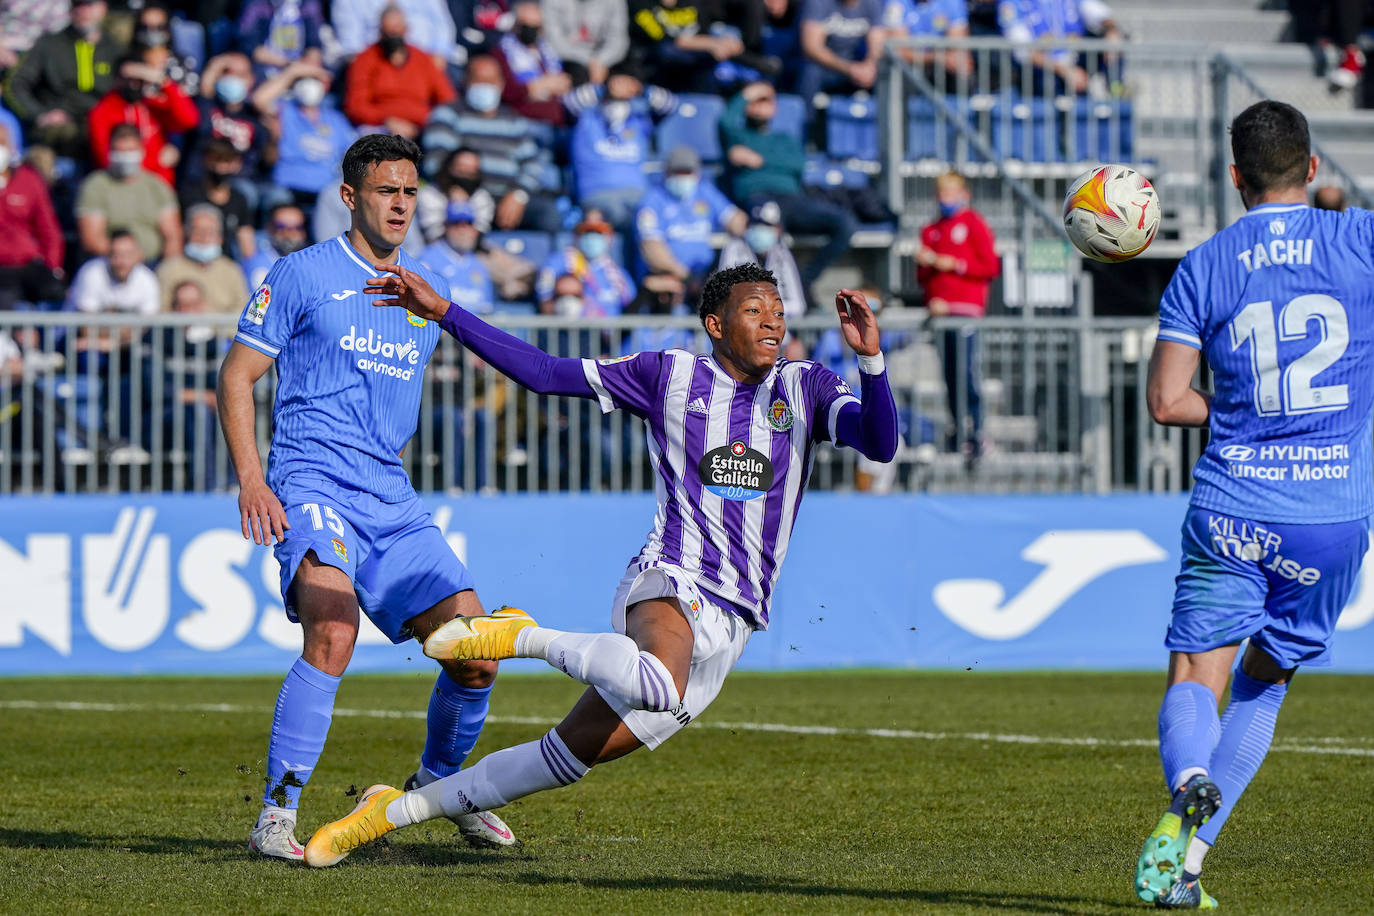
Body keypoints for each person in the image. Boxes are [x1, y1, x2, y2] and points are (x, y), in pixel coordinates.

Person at [298, 262, 898, 867]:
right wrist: (447, 314)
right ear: (715, 324)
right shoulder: (668, 375)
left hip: (737, 619)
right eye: (754, 309)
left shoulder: (805, 386)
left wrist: (871, 363)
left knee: (566, 757)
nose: (772, 320)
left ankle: (387, 813)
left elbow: (879, 442)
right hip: (673, 577)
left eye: (778, 310)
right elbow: (546, 374)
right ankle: (521, 635)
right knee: (659, 685)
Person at [217, 133, 518, 862]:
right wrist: (254, 480)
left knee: (476, 657)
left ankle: (438, 790)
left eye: (411, 192)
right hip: (312, 478)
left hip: (392, 496)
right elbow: (235, 378)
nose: (401, 205)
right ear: (351, 197)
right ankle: (276, 816)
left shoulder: (419, 291)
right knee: (333, 628)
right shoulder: (301, 274)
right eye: (387, 191)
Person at [1136, 100, 1374, 910]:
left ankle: (1189, 777)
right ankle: (1187, 866)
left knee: (1199, 675)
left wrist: (1240, 411)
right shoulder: (1360, 240)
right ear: (1313, 169)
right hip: (1332, 512)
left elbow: (1168, 403)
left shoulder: (1203, 264)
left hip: (1233, 500)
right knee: (1264, 684)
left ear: (1233, 178)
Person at [719, 79, 857, 303]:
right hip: (759, 198)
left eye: (765, 101)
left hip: (793, 199)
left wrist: (758, 159)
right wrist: (747, 93)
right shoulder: (737, 136)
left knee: (845, 223)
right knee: (764, 230)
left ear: (774, 107)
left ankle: (804, 279)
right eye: (754, 102)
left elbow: (795, 164)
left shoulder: (785, 139)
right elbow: (724, 121)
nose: (759, 106)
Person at [421, 56, 561, 234]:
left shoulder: (513, 120)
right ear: (466, 82)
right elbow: (436, 162)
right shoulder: (447, 115)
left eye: (490, 81)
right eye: (479, 80)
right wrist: (459, 189)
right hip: (463, 197)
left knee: (549, 214)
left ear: (501, 85)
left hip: (507, 197)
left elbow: (532, 164)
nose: (485, 86)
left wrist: (518, 194)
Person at [915, 170, 997, 462]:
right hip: (941, 316)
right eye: (941, 193)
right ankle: (957, 431)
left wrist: (954, 264)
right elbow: (923, 277)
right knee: (950, 375)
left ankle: (977, 433)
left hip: (965, 314)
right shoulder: (930, 230)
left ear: (964, 194)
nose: (944, 199)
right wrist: (926, 264)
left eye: (950, 193)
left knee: (967, 374)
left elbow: (989, 266)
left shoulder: (974, 224)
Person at [3, 0, 123, 158]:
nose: (84, 11)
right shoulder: (49, 44)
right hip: (59, 127)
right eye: (78, 5)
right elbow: (15, 84)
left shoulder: (115, 50)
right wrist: (39, 114)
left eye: (90, 5)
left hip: (100, 125)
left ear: (104, 8)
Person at [568, 62, 678, 231]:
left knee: (663, 217)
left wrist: (642, 89)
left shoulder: (639, 121)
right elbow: (569, 103)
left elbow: (671, 105)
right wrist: (604, 88)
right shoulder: (587, 119)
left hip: (638, 195)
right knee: (632, 220)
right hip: (597, 196)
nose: (617, 102)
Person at [636, 146, 747, 293]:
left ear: (697, 174)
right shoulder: (652, 201)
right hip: (671, 279)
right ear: (666, 172)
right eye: (677, 172)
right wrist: (686, 277)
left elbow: (736, 220)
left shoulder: (704, 192)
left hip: (704, 276)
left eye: (687, 172)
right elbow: (652, 249)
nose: (682, 177)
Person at [253, 61, 358, 206]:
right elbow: (259, 100)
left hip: (324, 189)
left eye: (314, 79)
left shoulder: (335, 119)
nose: (309, 84)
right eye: (303, 79)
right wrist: (292, 72)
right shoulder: (284, 110)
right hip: (288, 186)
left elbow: (352, 151)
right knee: (276, 198)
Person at [342, 6, 456, 139]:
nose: (392, 36)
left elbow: (447, 99)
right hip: (380, 126)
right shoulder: (365, 59)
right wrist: (386, 120)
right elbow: (356, 106)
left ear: (406, 29)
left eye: (396, 30)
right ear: (380, 32)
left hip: (421, 127)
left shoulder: (423, 59)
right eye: (388, 32)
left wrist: (425, 122)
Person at [87, 54, 200, 187]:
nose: (134, 84)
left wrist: (163, 81)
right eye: (129, 79)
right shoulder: (102, 112)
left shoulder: (152, 105)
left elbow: (190, 119)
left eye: (139, 79)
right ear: (117, 79)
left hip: (159, 187)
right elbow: (105, 160)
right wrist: (157, 160)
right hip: (121, 187)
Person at [75, 122, 183, 260]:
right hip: (109, 262)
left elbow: (173, 237)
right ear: (110, 151)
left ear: (142, 150)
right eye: (120, 151)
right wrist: (127, 257)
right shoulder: (95, 185)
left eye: (130, 150)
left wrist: (168, 270)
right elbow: (92, 240)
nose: (125, 157)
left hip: (152, 263)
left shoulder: (158, 186)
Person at [0, 124, 65, 309]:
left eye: (2, 142)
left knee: (54, 292)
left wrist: (52, 267)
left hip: (26, 264)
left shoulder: (29, 179)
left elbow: (49, 230)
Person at [716, 199, 807, 319]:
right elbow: (727, 300)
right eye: (756, 224)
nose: (760, 229)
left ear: (778, 229)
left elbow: (798, 305)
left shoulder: (782, 253)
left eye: (767, 225)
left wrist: (764, 309)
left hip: (780, 328)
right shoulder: (734, 248)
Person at [536, 212, 635, 317]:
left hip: (610, 331)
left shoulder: (619, 274)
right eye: (587, 231)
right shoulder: (557, 263)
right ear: (576, 235)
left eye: (598, 232)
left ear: (610, 238)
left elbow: (631, 309)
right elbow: (544, 299)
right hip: (571, 331)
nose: (592, 237)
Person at [157, 204, 250, 313]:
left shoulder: (232, 270)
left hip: (224, 330)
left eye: (210, 232)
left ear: (220, 238)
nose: (204, 238)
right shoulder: (169, 269)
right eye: (198, 231)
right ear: (187, 233)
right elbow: (162, 311)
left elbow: (243, 311)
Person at [494, 0, 574, 126]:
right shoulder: (501, 53)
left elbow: (563, 83)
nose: (530, 31)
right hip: (524, 122)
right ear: (516, 25)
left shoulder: (548, 52)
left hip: (557, 121)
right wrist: (539, 86)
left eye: (536, 27)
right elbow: (507, 92)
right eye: (525, 26)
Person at [179, 139, 258, 260]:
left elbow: (246, 241)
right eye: (216, 159)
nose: (220, 167)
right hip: (189, 260)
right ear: (205, 160)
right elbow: (177, 233)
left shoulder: (239, 199)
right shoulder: (188, 195)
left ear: (236, 164)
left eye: (226, 161)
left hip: (224, 264)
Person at [797, 0, 884, 109]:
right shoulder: (818, 3)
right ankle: (808, 121)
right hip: (826, 66)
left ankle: (883, 122)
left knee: (886, 72)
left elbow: (877, 44)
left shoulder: (872, 3)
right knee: (811, 72)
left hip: (857, 63)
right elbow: (812, 48)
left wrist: (870, 65)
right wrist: (849, 69)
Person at [418, 201, 495, 315]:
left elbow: (486, 310)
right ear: (446, 226)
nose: (463, 230)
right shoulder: (427, 260)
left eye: (468, 223)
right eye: (456, 223)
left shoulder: (479, 265)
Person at [66, 229, 160, 315]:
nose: (122, 262)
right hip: (69, 333)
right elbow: (86, 328)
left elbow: (147, 325)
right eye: (116, 254)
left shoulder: (147, 279)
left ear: (139, 256)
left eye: (128, 255)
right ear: (107, 255)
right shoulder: (92, 273)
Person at [541, 0, 631, 85]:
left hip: (605, 61)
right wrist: (589, 61)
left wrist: (600, 61)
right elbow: (554, 41)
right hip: (567, 60)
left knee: (625, 81)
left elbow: (618, 40)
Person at [882, 0, 972, 81]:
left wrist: (954, 59)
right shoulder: (896, 3)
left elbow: (957, 47)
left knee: (963, 68)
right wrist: (939, 57)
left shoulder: (953, 2)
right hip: (908, 69)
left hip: (940, 68)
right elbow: (900, 51)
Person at [237, 0, 326, 78]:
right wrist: (289, 65)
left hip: (299, 68)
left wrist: (308, 64)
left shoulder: (310, 4)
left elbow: (315, 45)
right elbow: (250, 47)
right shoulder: (256, 4)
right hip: (263, 70)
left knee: (312, 89)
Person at [242, 203, 311, 288]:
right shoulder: (258, 264)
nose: (289, 233)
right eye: (281, 227)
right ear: (269, 227)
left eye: (297, 227)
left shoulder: (311, 263)